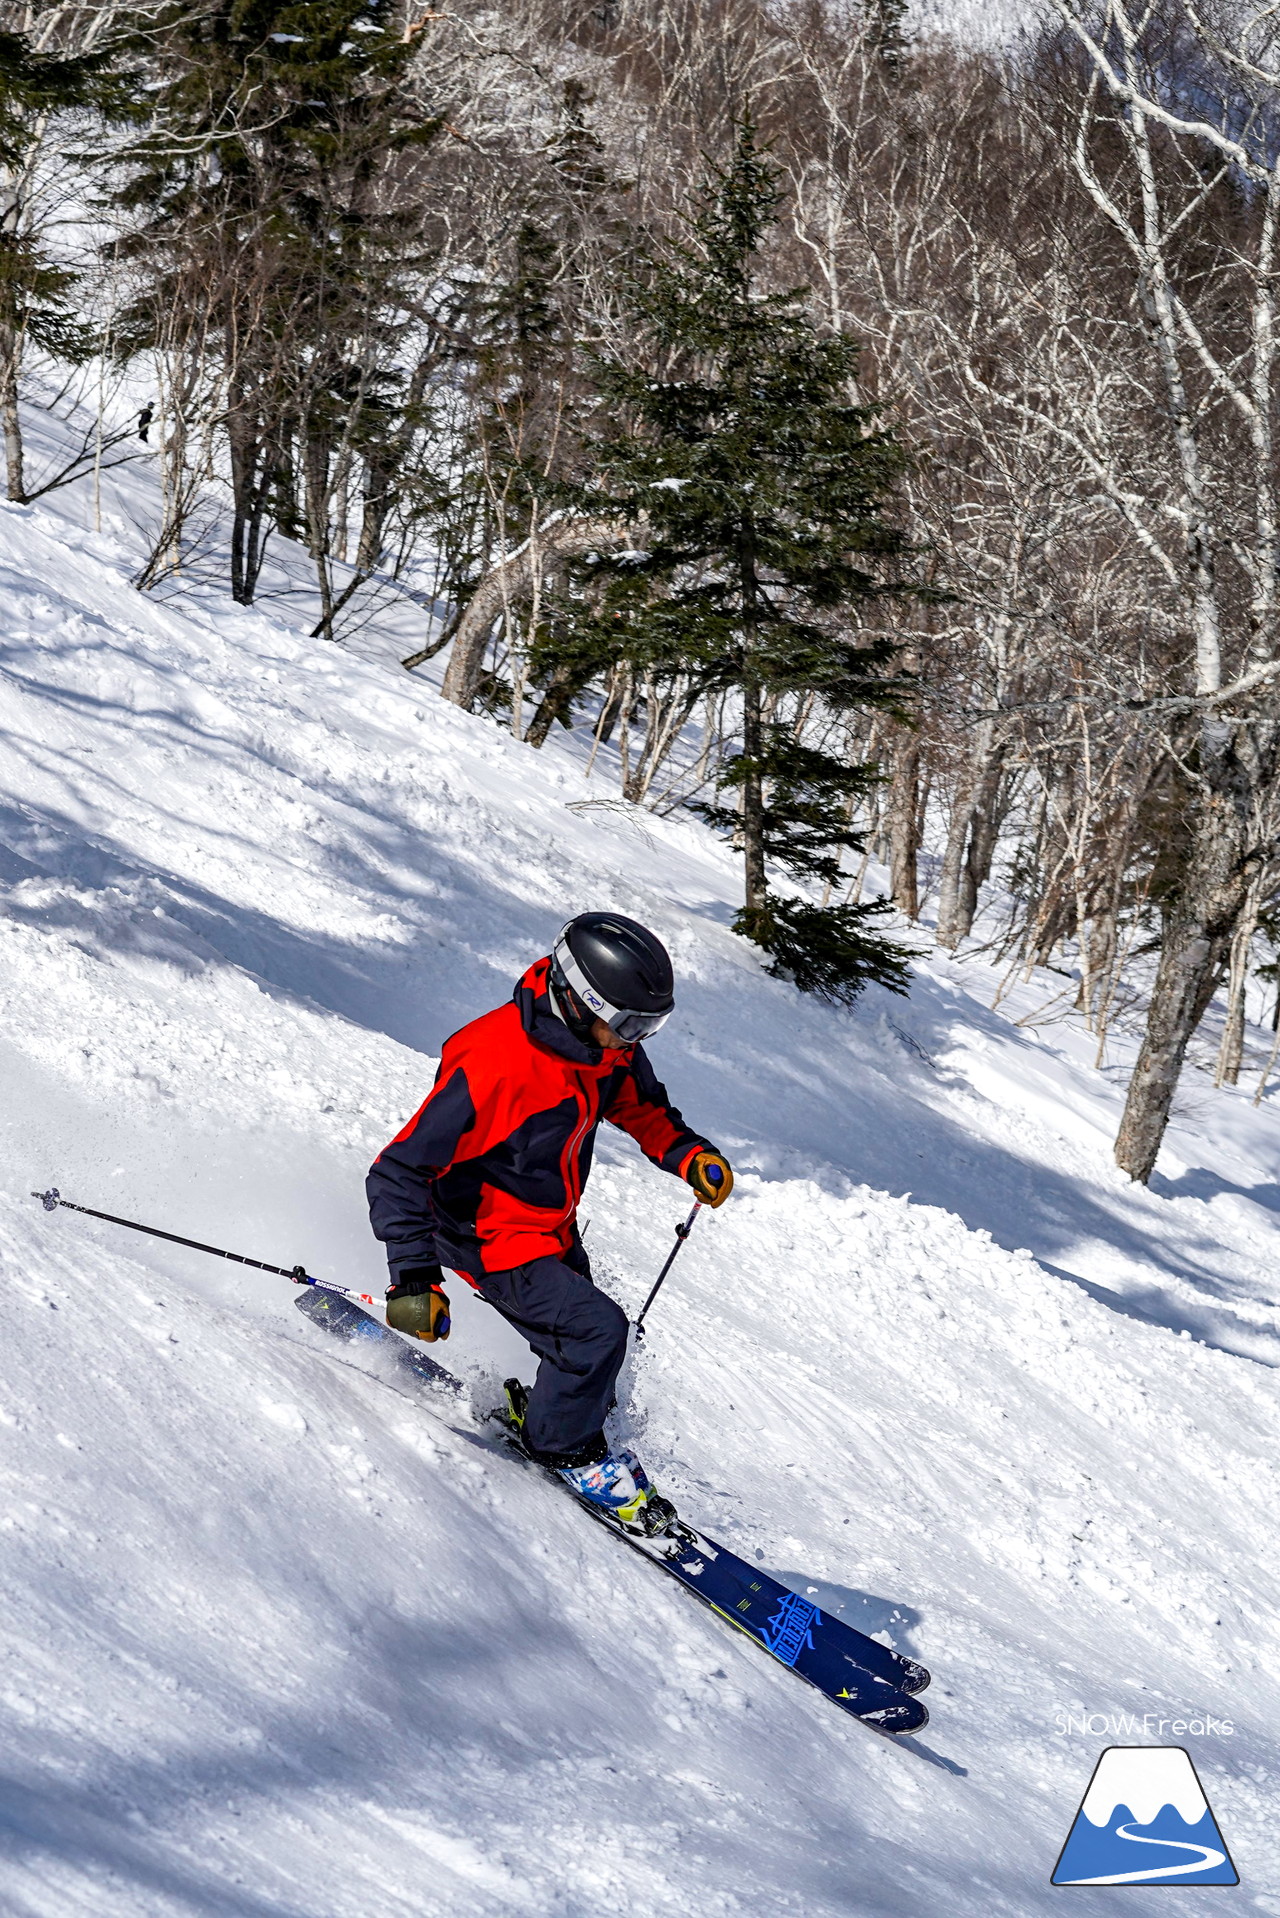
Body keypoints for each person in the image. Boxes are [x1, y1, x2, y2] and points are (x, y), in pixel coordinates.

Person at [366, 912, 732, 1529]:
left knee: (590, 1358)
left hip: (546, 1228)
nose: (635, 1040)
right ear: (575, 996)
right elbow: (397, 1172)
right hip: (488, 1237)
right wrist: (413, 1278)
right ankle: (565, 1451)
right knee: (596, 1334)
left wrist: (686, 1152)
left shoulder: (601, 1047)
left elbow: (637, 1103)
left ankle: (555, 1422)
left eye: (649, 1026)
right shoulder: (496, 1064)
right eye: (629, 1024)